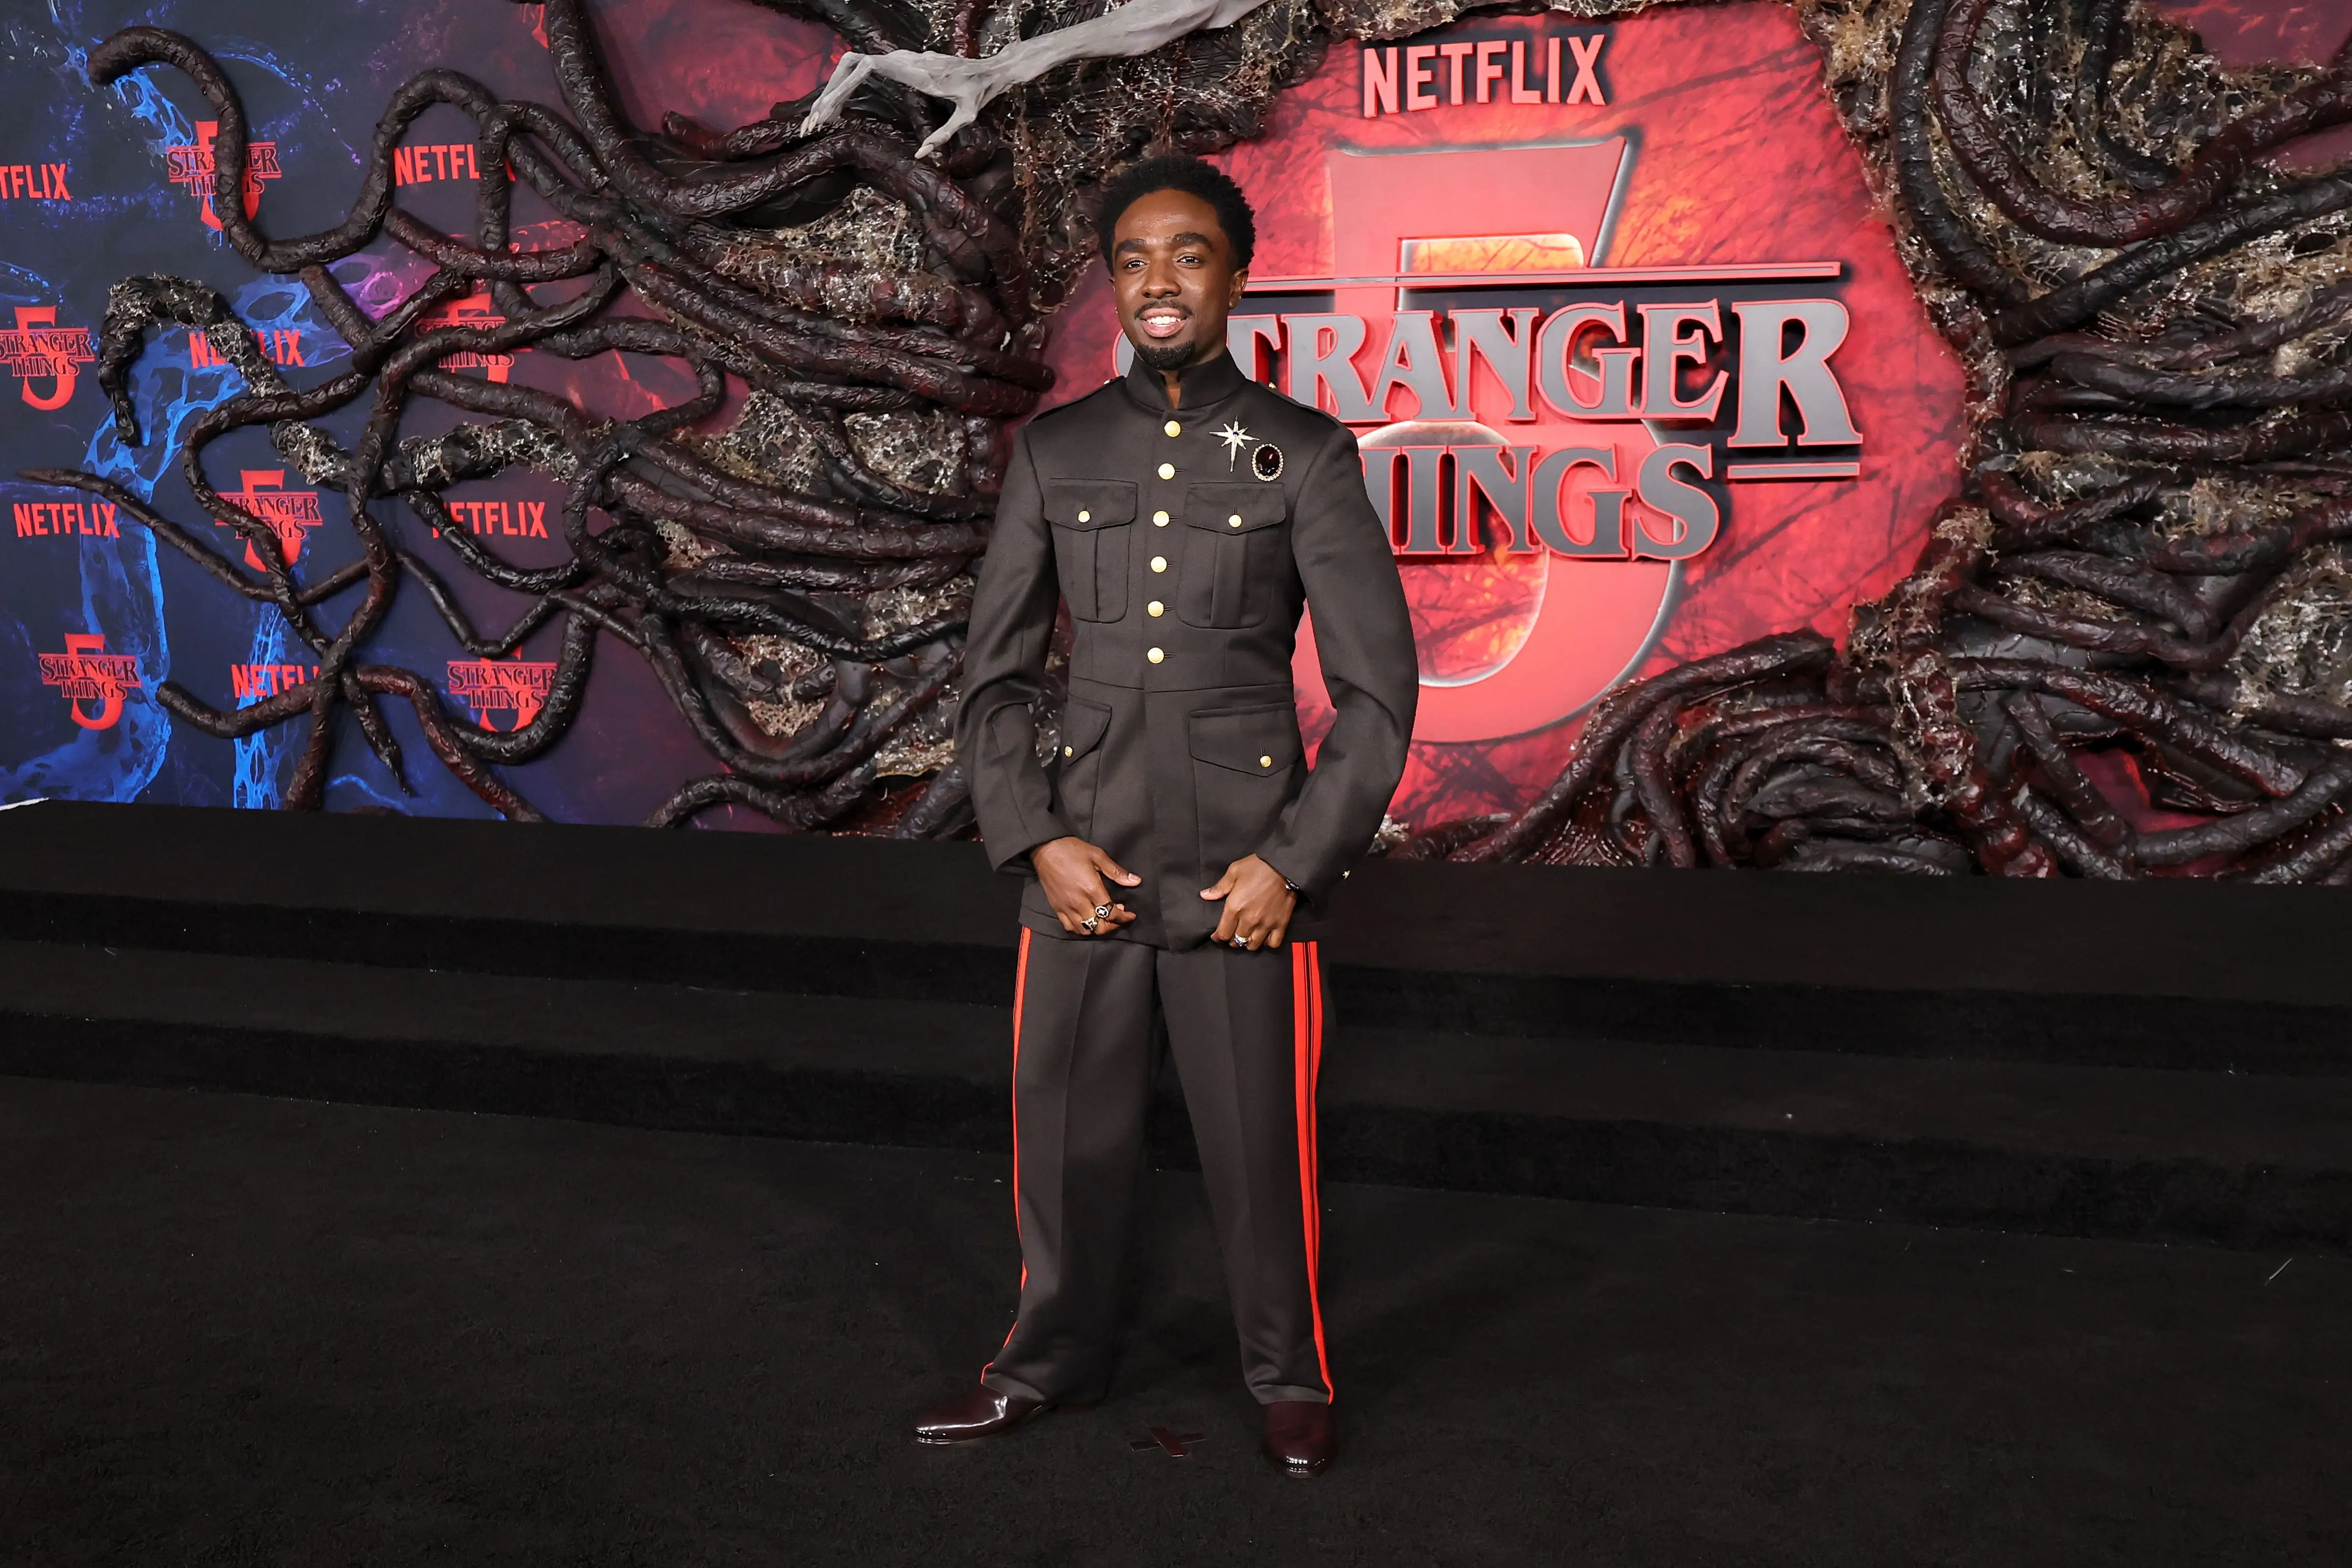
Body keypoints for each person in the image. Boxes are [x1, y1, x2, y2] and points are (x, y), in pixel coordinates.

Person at [917, 153, 1417, 1478]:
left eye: (1187, 253)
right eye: (1133, 257)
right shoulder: (1060, 450)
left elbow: (1377, 694)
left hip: (1240, 878)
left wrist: (1296, 862)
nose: (1157, 279)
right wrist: (1034, 836)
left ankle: (1287, 1376)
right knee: (1065, 1151)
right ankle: (1040, 1366)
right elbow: (994, 679)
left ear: (1237, 276)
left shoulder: (1305, 455)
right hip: (1083, 870)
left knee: (1262, 1157)